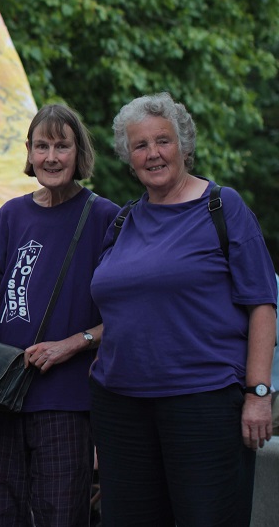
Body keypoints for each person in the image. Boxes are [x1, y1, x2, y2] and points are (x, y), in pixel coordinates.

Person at [90, 92, 278, 526]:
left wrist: (258, 393)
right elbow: (115, 313)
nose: (153, 153)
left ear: (184, 146)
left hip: (203, 402)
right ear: (128, 156)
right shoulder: (123, 221)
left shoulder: (222, 207)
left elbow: (262, 305)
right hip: (121, 409)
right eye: (140, 145)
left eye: (163, 141)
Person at [0, 104, 118, 526]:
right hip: (5, 403)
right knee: (2, 515)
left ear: (79, 153)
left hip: (66, 402)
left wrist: (71, 345)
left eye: (61, 145)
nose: (51, 157)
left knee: (62, 517)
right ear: (29, 153)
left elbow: (123, 317)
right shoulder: (10, 216)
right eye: (42, 146)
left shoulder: (103, 218)